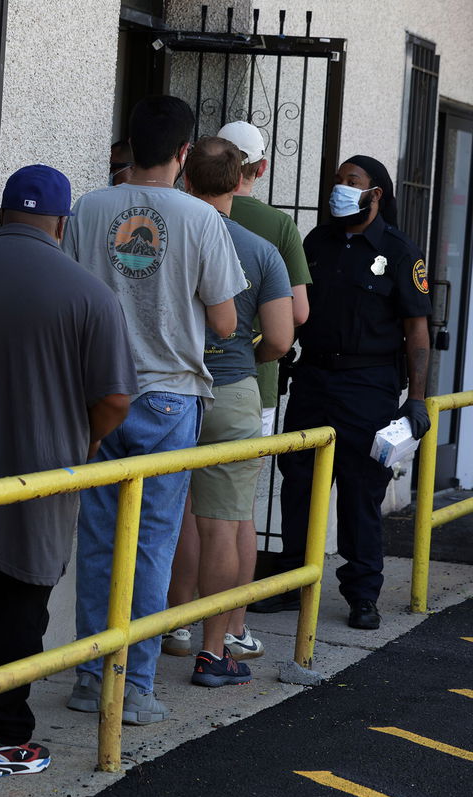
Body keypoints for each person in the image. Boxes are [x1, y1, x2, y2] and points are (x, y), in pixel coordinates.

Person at [0, 165, 135, 778]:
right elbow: (117, 399)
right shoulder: (89, 292)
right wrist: (86, 438)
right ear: (61, 223)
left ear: (1, 214)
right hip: (38, 473)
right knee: (18, 598)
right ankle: (0, 736)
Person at [62, 95, 246, 723]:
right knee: (153, 544)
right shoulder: (201, 219)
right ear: (184, 154)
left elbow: (71, 295)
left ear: (130, 146)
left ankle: (91, 677)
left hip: (97, 393)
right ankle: (134, 685)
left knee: (97, 541)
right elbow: (224, 321)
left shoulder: (88, 207)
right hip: (171, 394)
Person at [253, 155, 431, 630]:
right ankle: (292, 582)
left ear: (376, 194)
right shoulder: (317, 242)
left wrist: (417, 399)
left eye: (351, 182)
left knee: (360, 490)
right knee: (300, 483)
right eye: (336, 181)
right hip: (313, 379)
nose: (340, 189)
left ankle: (362, 593)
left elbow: (417, 331)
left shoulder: (399, 251)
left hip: (368, 386)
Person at [162, 137, 293, 686]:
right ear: (240, 181)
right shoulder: (260, 249)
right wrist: (244, 354)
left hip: (166, 384)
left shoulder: (167, 237)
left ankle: (159, 634)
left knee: (161, 518)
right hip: (234, 388)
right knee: (226, 525)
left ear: (185, 178)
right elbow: (282, 339)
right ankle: (214, 652)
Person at [213, 119, 312, 647]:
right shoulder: (276, 226)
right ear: (262, 167)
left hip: (173, 382)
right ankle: (230, 630)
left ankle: (175, 624)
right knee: (235, 516)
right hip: (251, 387)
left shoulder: (182, 215)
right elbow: (297, 314)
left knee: (178, 510)